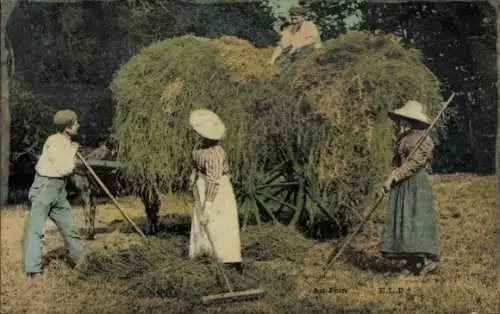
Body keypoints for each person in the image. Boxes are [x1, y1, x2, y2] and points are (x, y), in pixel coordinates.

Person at [22, 109, 86, 278]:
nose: (78, 125)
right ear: (67, 127)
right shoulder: (54, 141)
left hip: (58, 190)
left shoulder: (65, 141)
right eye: (75, 123)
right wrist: (72, 152)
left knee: (70, 227)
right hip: (45, 187)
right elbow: (65, 169)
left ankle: (81, 262)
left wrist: (71, 148)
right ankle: (33, 270)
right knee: (36, 229)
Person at [380, 100, 438, 276]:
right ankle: (411, 262)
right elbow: (398, 162)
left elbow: (413, 164)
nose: (400, 123)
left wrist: (394, 176)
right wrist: (393, 175)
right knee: (404, 220)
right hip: (402, 184)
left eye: (404, 120)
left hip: (415, 183)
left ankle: (426, 261)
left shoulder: (423, 139)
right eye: (400, 120)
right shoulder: (404, 138)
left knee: (416, 218)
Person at [188, 108, 243, 273]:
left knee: (218, 223)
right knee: (201, 222)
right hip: (201, 184)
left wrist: (209, 206)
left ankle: (228, 261)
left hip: (219, 192)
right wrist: (193, 177)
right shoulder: (198, 148)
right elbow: (195, 166)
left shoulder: (216, 154)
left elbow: (214, 181)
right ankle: (203, 255)